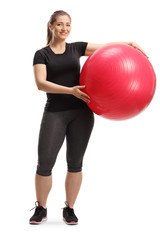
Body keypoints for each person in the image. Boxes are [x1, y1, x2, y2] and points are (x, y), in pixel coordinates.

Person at [29, 10, 148, 225]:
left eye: (68, 24)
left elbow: (110, 49)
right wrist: (70, 91)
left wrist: (129, 43)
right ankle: (41, 208)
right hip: (55, 112)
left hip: (82, 114)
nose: (64, 28)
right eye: (59, 25)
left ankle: (70, 209)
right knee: (45, 164)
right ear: (50, 26)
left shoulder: (77, 48)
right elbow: (41, 83)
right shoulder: (41, 54)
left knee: (75, 163)